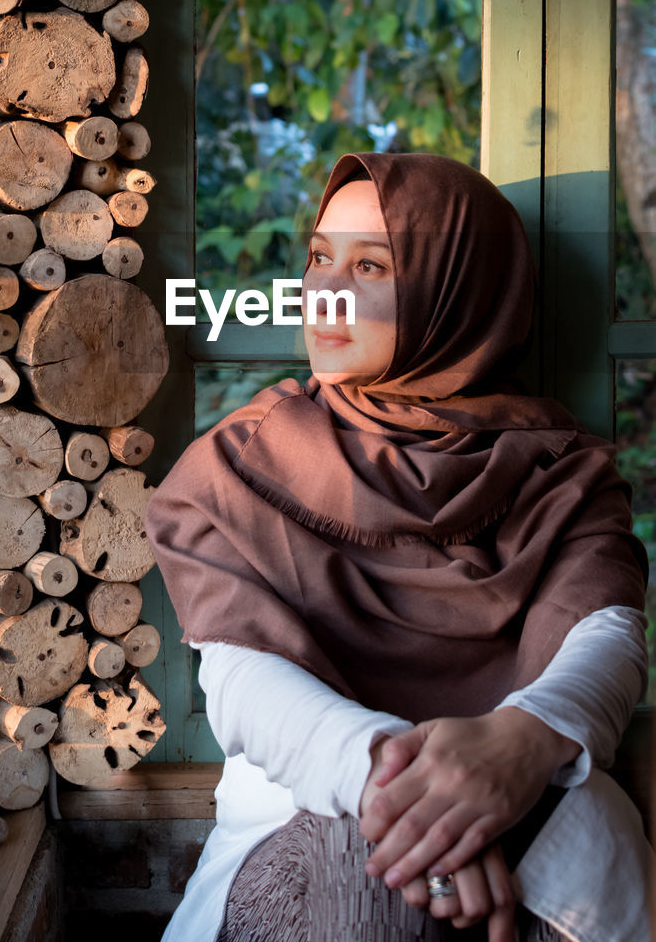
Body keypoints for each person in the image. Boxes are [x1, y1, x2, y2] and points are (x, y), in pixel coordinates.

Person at [145, 152, 652, 942]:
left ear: (458, 289)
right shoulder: (237, 468)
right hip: (308, 811)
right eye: (318, 257)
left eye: (371, 265)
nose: (326, 291)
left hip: (538, 788)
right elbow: (245, 678)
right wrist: (397, 786)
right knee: (367, 883)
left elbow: (605, 636)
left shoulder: (563, 472)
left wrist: (519, 746)